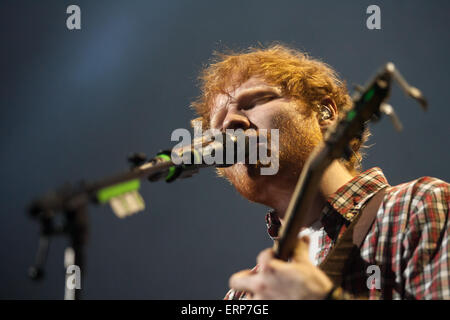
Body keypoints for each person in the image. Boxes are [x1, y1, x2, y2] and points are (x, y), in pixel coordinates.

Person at [190, 44, 450, 300]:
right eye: (219, 128)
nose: (230, 123)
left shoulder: (418, 206)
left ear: (324, 112)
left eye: (254, 101)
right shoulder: (244, 294)